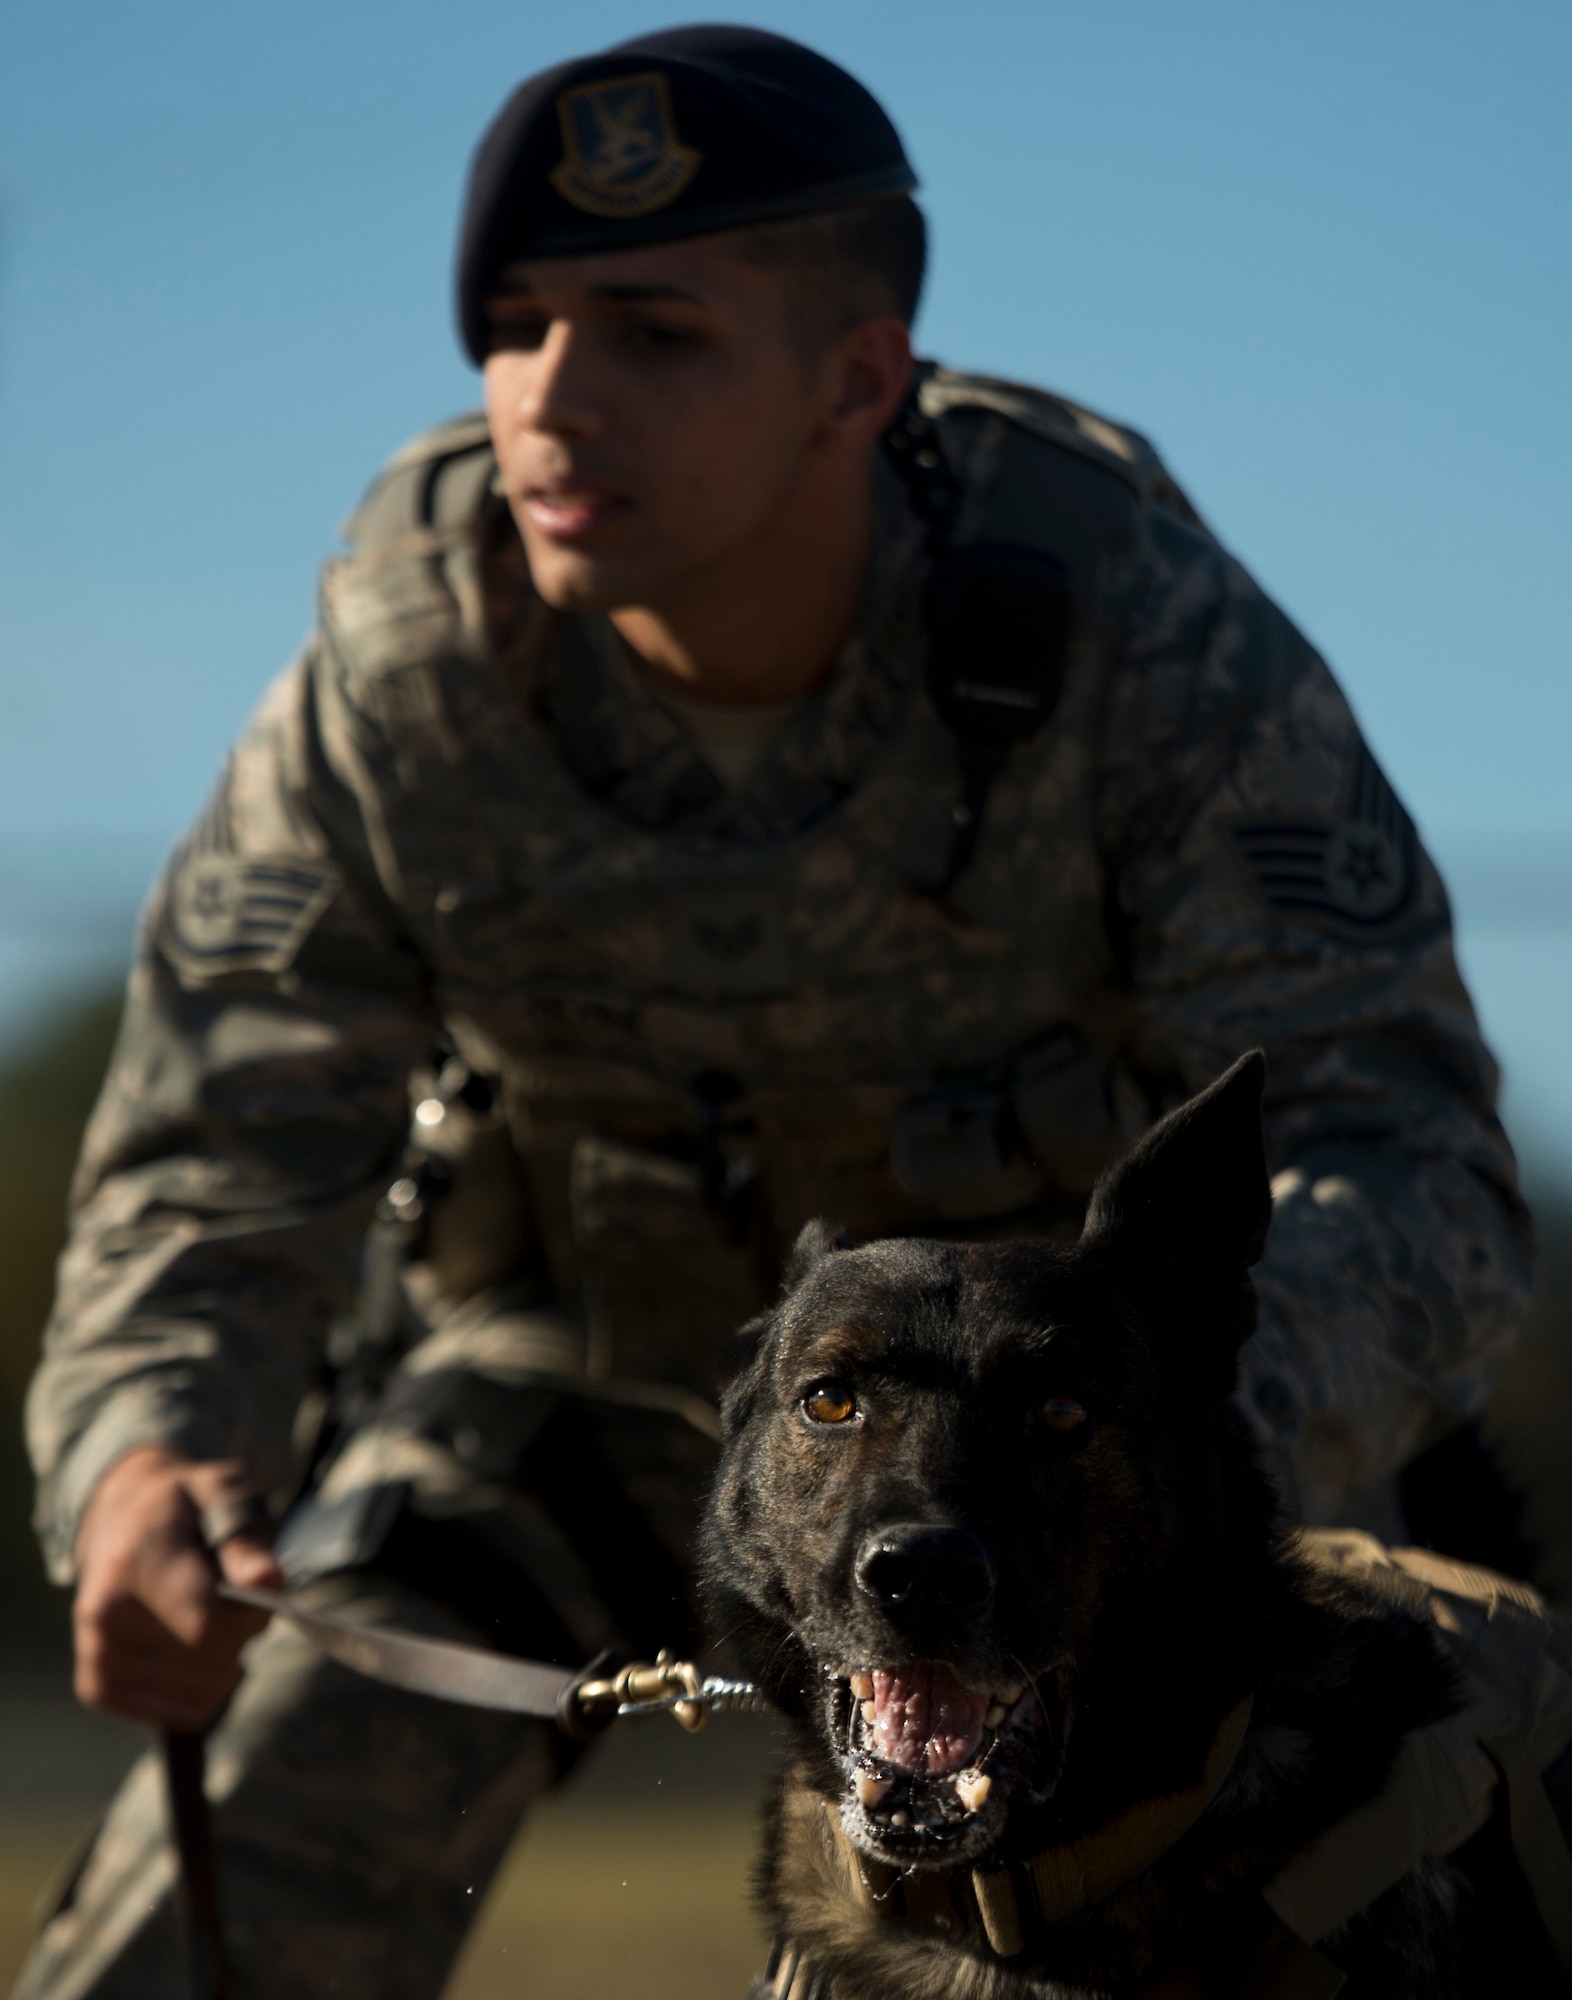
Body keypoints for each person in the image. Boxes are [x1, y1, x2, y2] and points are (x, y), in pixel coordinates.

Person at [17, 24, 1532, 1999]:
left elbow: (1398, 1143)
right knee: (187, 1911)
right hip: (595, 1398)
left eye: (653, 331)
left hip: (1102, 1456)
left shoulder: (1127, 633)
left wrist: (1175, 1458)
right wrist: (152, 1456)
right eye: (518, 324)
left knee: (1362, 1891)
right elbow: (220, 1144)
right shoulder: (400, 683)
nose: (553, 400)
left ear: (855, 379)